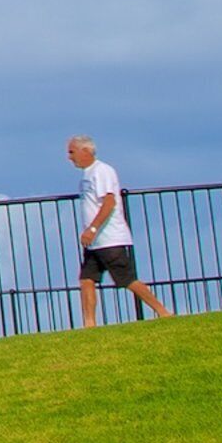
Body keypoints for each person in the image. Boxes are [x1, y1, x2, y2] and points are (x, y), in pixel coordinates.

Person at [67, 136, 170, 326]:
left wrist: (93, 228)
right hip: (95, 242)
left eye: (72, 152)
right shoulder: (87, 176)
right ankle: (89, 324)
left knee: (127, 279)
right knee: (87, 279)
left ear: (85, 151)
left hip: (110, 239)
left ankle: (162, 311)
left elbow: (109, 202)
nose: (69, 157)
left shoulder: (102, 171)